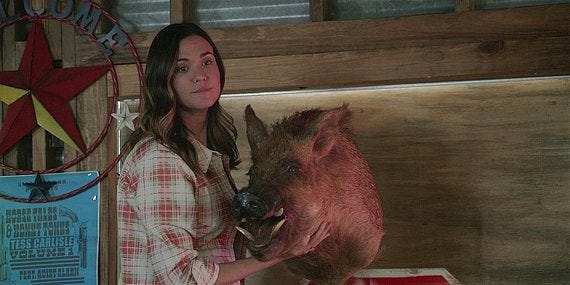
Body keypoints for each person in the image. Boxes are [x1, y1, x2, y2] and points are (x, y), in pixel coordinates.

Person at [116, 22, 331, 285]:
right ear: (164, 81)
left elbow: (222, 248)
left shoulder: (206, 153)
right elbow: (184, 278)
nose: (200, 75)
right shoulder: (161, 160)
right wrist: (284, 253)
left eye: (207, 62)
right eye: (183, 68)